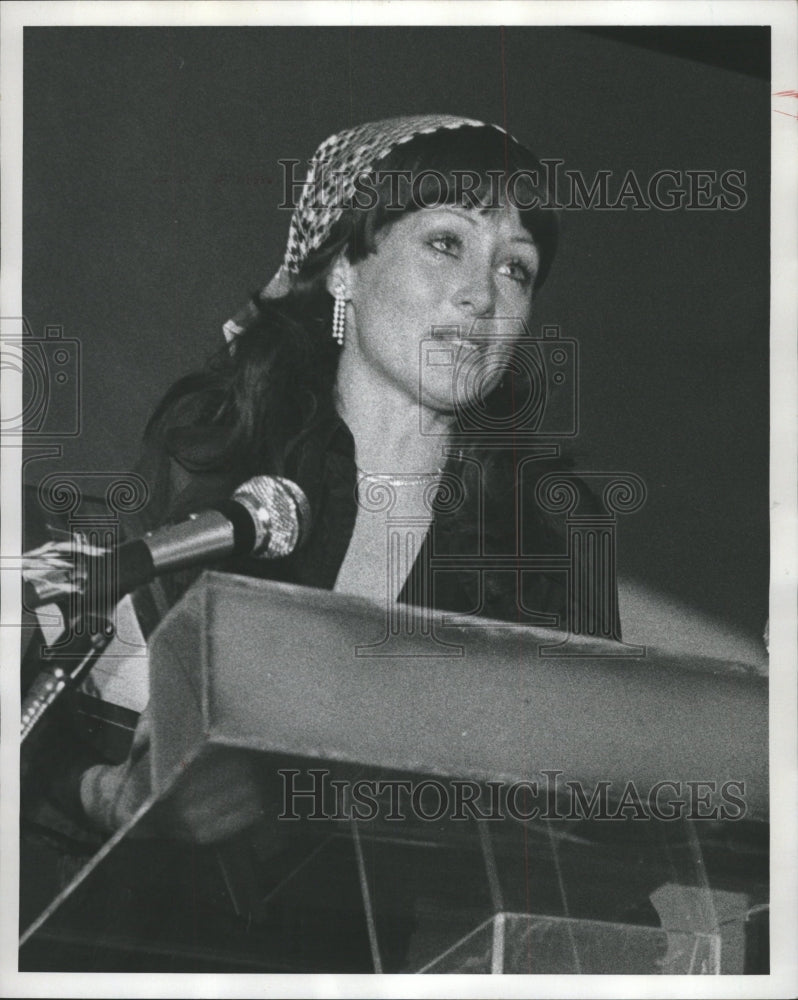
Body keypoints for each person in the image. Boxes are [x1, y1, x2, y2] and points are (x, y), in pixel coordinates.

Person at [64, 116, 581, 843]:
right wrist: (101, 792)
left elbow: (568, 823)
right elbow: (44, 729)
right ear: (346, 267)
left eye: (514, 267)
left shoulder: (530, 550)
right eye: (446, 243)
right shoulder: (210, 461)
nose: (482, 296)